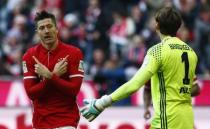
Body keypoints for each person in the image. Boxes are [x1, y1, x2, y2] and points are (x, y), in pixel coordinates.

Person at [80, 7, 198, 129]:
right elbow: (195, 88)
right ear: (178, 27)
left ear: (157, 26)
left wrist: (103, 102)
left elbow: (134, 84)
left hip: (167, 120)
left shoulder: (158, 51)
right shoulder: (191, 52)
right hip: (188, 120)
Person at [22, 10, 84, 129]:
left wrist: (49, 76)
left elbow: (74, 90)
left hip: (66, 120)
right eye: (42, 28)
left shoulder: (73, 53)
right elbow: (31, 93)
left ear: (56, 29)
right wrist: (54, 75)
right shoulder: (30, 56)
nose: (46, 31)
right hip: (41, 122)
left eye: (49, 26)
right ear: (37, 32)